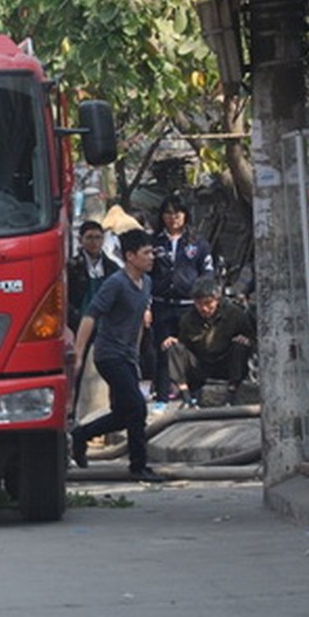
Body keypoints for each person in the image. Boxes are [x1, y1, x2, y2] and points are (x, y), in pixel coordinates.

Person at [69, 229, 164, 483]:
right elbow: (90, 316)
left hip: (128, 355)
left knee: (124, 413)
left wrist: (137, 357)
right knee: (137, 406)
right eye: (146, 253)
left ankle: (81, 434)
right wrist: (78, 354)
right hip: (108, 355)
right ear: (130, 256)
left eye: (152, 252)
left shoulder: (147, 283)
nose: (151, 257)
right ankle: (138, 466)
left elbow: (137, 324)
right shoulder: (116, 283)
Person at [147, 194, 214, 405]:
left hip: (189, 306)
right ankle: (163, 396)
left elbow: (207, 273)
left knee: (190, 349)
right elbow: (147, 274)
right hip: (161, 304)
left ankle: (193, 394)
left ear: (185, 215)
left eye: (177, 213)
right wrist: (146, 305)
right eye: (168, 213)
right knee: (164, 349)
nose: (173, 217)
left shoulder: (198, 242)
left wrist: (203, 300)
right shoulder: (154, 243)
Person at [161, 276, 255, 408]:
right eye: (199, 304)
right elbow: (184, 346)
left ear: (217, 300)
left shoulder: (235, 314)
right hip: (201, 365)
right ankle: (186, 396)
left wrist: (246, 339)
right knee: (173, 348)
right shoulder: (188, 319)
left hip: (226, 363)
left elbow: (252, 338)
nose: (204, 308)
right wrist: (174, 342)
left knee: (240, 346)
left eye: (208, 303)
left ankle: (232, 395)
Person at [67, 220, 120, 334]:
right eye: (89, 237)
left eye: (98, 237)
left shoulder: (112, 267)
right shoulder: (72, 267)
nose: (94, 242)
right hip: (79, 324)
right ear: (80, 240)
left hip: (106, 325)